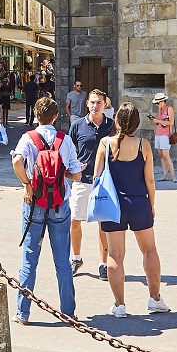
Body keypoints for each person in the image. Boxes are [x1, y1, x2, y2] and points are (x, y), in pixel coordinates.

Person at [91, 102, 169, 317]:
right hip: (138, 201)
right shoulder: (143, 145)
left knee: (116, 255)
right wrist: (151, 203)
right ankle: (155, 299)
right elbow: (150, 179)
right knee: (150, 250)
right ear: (136, 123)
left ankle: (120, 305)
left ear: (116, 120)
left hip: (113, 205)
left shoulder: (105, 144)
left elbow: (97, 177)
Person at [10, 95, 79, 326]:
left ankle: (23, 313)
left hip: (34, 204)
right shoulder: (64, 140)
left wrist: (28, 184)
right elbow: (76, 174)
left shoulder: (28, 138)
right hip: (59, 205)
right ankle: (68, 312)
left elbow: (17, 162)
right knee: (62, 261)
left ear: (36, 116)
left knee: (29, 259)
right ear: (56, 116)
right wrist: (63, 175)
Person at [67, 89, 112, 279]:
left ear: (105, 105)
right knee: (75, 221)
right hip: (82, 181)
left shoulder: (112, 126)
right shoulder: (77, 126)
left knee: (103, 223)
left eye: (99, 103)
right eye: (92, 102)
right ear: (87, 104)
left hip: (104, 182)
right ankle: (76, 258)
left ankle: (103, 263)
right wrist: (75, 167)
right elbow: (69, 151)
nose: (95, 106)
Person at [151, 92, 177, 182]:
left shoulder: (169, 109)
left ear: (163, 101)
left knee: (166, 155)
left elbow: (171, 122)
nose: (157, 105)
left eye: (158, 103)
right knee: (161, 155)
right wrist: (156, 121)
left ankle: (174, 176)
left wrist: (158, 120)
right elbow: (161, 122)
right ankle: (165, 175)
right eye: (156, 103)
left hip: (165, 134)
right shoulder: (160, 110)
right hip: (158, 133)